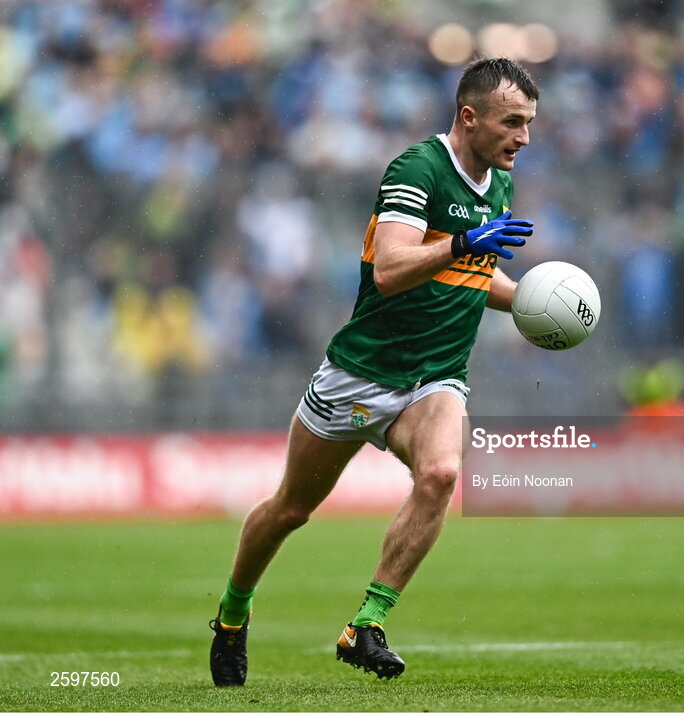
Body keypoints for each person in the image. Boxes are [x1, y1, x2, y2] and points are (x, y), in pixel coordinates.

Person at [208, 57, 539, 685]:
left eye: (528, 124)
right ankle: (232, 612)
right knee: (290, 510)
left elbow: (471, 271)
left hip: (435, 377)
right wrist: (465, 243)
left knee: (441, 473)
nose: (523, 137)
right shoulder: (417, 170)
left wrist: (531, 303)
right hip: (360, 374)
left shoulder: (499, 180)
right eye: (512, 123)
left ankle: (366, 624)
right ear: (469, 118)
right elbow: (389, 269)